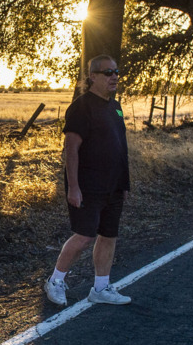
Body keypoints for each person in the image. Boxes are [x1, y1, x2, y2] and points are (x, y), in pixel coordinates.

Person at [44, 54, 132, 307]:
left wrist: (124, 183)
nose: (114, 77)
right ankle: (56, 281)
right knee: (84, 236)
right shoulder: (82, 106)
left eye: (117, 72)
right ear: (92, 76)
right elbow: (71, 149)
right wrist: (73, 187)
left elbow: (120, 147)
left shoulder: (115, 106)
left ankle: (101, 288)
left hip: (114, 185)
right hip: (88, 185)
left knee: (108, 236)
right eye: (108, 73)